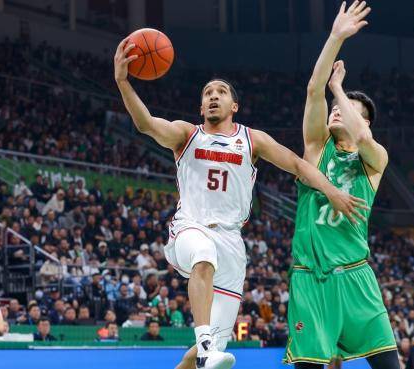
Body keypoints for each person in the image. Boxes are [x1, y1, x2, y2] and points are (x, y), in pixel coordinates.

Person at [114, 28, 364, 369]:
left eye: (221, 92)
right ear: (201, 106)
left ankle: (205, 347)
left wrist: (333, 191)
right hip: (191, 227)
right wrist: (124, 82)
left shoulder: (252, 140)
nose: (213, 96)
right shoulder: (186, 135)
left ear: (235, 105)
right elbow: (145, 124)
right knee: (202, 259)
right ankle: (204, 342)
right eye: (207, 93)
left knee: (212, 350)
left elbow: (297, 166)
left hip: (232, 243)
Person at [285, 2, 400, 369]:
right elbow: (312, 89)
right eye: (338, 104)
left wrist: (340, 90)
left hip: (356, 276)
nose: (337, 109)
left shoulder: (374, 160)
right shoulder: (318, 148)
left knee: (388, 366)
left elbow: (363, 136)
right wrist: (335, 38)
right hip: (311, 279)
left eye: (348, 108)